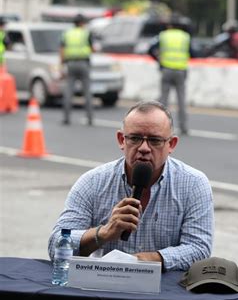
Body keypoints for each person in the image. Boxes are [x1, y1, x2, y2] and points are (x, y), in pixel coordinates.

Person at [48, 101, 214, 271]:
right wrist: (103, 233)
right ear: (121, 140)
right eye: (135, 138)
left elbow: (199, 249)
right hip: (105, 288)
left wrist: (142, 261)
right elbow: (56, 246)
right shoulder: (93, 182)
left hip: (165, 291)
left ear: (171, 144)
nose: (144, 148)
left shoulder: (194, 184)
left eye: (155, 141)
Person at [148, 16, 191, 135]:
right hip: (181, 70)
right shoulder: (185, 37)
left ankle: (159, 127)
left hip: (166, 69)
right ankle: (184, 127)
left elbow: (150, 49)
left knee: (163, 101)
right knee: (181, 100)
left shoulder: (163, 35)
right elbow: (193, 52)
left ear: (169, 25)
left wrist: (159, 60)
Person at [60, 13, 93, 126]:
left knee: (69, 91)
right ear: (82, 23)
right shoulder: (86, 33)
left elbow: (62, 49)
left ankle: (66, 118)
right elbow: (92, 48)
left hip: (70, 63)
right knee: (87, 92)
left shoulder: (67, 33)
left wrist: (61, 64)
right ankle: (89, 118)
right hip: (83, 63)